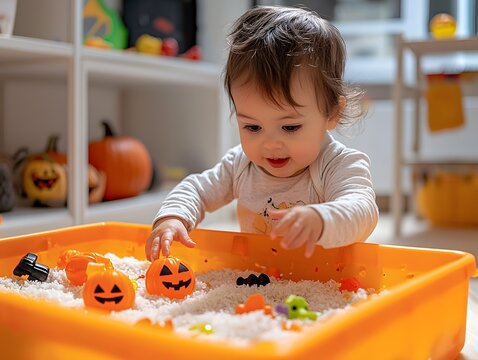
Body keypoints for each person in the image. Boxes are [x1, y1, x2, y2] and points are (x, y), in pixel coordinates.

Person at [145, 5, 379, 261]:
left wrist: (321, 219)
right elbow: (197, 189)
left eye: (290, 127)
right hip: (260, 275)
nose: (270, 144)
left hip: (325, 280)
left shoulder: (339, 165)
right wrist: (173, 217)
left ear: (332, 113)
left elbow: (363, 210)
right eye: (252, 127)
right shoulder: (240, 165)